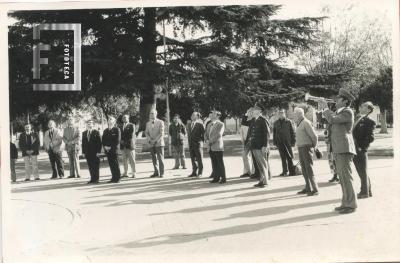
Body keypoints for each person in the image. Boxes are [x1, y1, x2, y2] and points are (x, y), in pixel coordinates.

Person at [322, 88, 357, 214]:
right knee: (342, 178)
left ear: (345, 101)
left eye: (338, 98)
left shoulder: (347, 112)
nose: (336, 100)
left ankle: (351, 204)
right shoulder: (338, 112)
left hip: (344, 149)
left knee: (346, 177)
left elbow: (332, 120)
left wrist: (325, 109)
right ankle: (345, 202)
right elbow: (332, 122)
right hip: (338, 148)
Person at [352, 101, 376, 199]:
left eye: (364, 106)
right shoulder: (358, 118)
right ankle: (367, 191)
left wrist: (362, 147)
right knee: (361, 170)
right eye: (362, 105)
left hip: (360, 149)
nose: (361, 107)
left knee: (362, 171)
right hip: (355, 148)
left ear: (369, 110)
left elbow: (371, 137)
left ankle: (364, 192)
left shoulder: (369, 121)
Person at [293, 107, 319, 196]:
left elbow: (314, 137)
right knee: (304, 169)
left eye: (295, 114)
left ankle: (315, 189)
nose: (294, 116)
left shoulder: (306, 123)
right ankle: (308, 187)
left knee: (309, 169)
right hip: (301, 148)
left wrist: (314, 147)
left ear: (300, 114)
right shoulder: (299, 123)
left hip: (306, 148)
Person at [247, 103, 270, 188]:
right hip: (254, 145)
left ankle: (265, 181)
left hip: (261, 146)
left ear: (259, 111)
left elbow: (266, 134)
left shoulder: (263, 120)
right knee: (259, 164)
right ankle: (261, 180)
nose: (253, 111)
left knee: (263, 163)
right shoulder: (254, 120)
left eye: (255, 109)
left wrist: (265, 145)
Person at [273, 109, 296, 176]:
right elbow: (274, 133)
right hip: (280, 142)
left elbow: (293, 132)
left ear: (284, 113)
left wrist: (293, 142)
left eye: (282, 113)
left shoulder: (289, 122)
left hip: (288, 142)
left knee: (289, 157)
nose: (281, 114)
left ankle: (292, 172)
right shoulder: (276, 123)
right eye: (280, 113)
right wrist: (275, 142)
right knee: (283, 157)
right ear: (278, 114)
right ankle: (284, 171)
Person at [206, 111, 226, 184]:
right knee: (214, 163)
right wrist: (207, 140)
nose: (212, 115)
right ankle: (216, 178)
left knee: (220, 163)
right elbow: (206, 134)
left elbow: (219, 134)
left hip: (217, 146)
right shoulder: (209, 124)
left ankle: (223, 178)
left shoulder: (221, 124)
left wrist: (210, 141)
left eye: (214, 114)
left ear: (218, 116)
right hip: (211, 146)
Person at [145, 109, 165, 178]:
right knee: (154, 159)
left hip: (159, 143)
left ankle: (162, 173)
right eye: (150, 113)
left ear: (156, 114)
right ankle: (156, 172)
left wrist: (155, 141)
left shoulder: (160, 122)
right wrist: (150, 140)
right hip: (151, 143)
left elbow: (161, 133)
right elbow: (146, 133)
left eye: (153, 113)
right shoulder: (147, 123)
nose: (151, 115)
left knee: (160, 158)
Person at [82, 119, 102, 184]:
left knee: (95, 166)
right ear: (86, 124)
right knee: (90, 166)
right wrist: (83, 152)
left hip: (95, 152)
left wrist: (98, 152)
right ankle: (92, 179)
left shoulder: (96, 132)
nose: (89, 124)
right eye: (88, 123)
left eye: (90, 123)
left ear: (93, 124)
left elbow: (99, 143)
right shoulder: (84, 133)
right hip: (88, 152)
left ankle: (96, 179)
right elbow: (83, 143)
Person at [102, 116, 122, 183]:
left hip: (114, 150)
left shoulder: (117, 129)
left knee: (115, 164)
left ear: (114, 121)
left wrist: (110, 147)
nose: (109, 120)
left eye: (111, 119)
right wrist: (105, 147)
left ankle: (118, 178)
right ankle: (113, 177)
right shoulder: (105, 130)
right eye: (109, 119)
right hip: (107, 150)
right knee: (111, 164)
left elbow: (117, 140)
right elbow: (103, 140)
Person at [187, 112, 205, 178]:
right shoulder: (189, 124)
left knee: (199, 159)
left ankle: (200, 173)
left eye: (193, 115)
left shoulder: (200, 124)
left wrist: (201, 142)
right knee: (193, 159)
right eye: (191, 115)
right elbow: (189, 135)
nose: (191, 116)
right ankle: (194, 172)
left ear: (197, 116)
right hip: (191, 144)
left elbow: (203, 134)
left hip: (198, 144)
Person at [239, 108, 254, 178]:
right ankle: (247, 171)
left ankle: (254, 172)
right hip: (245, 141)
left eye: (251, 112)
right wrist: (242, 140)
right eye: (248, 112)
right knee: (244, 155)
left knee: (253, 157)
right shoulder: (244, 120)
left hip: (252, 141)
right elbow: (241, 130)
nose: (249, 113)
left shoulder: (254, 120)